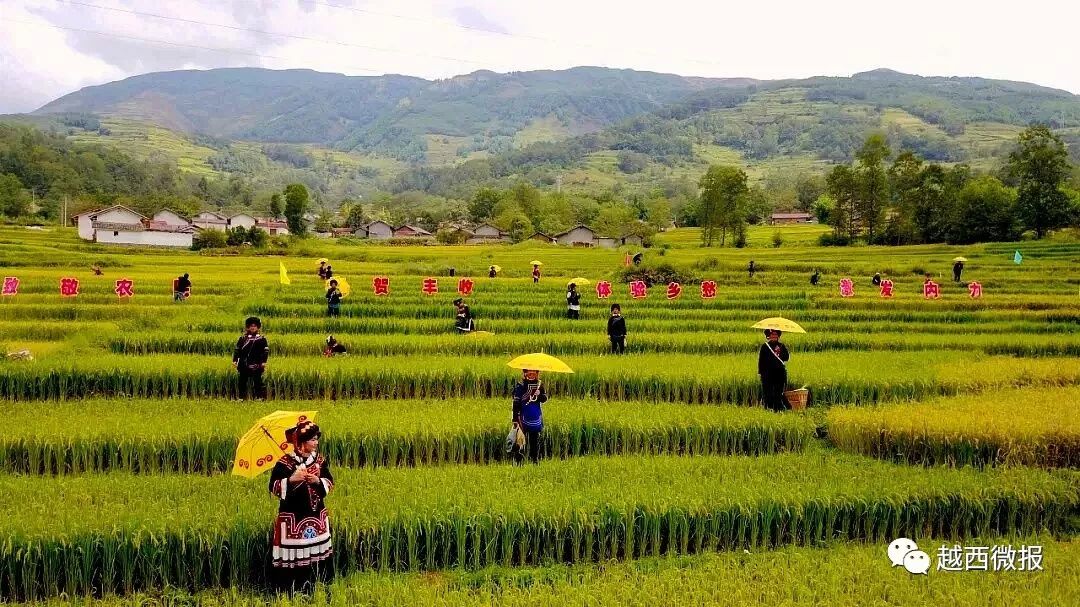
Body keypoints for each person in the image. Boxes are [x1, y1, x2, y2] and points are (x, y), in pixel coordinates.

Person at [268, 419, 334, 594]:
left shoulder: (319, 461)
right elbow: (273, 487)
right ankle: (292, 590)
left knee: (318, 556)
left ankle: (319, 586)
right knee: (296, 556)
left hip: (317, 517)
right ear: (301, 443)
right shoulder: (285, 463)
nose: (316, 442)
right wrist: (291, 480)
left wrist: (317, 481)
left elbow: (330, 482)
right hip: (294, 519)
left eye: (316, 439)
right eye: (312, 439)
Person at [511, 369, 547, 464]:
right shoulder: (521, 386)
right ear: (525, 373)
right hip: (522, 416)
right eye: (529, 373)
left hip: (535, 415)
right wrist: (515, 419)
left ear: (537, 374)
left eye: (533, 373)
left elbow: (544, 399)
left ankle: (534, 460)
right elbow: (516, 402)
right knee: (520, 439)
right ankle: (518, 461)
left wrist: (539, 395)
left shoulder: (539, 385)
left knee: (534, 440)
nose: (531, 375)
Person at [233, 317, 269, 400]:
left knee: (257, 381)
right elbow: (237, 350)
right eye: (251, 326)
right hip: (244, 363)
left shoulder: (262, 339)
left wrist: (264, 361)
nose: (253, 327)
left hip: (257, 362)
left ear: (258, 327)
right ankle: (241, 398)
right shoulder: (242, 338)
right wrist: (235, 360)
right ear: (248, 327)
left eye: (255, 326)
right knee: (242, 381)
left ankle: (259, 397)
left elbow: (265, 351)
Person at [757, 329, 790, 412]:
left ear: (778, 336)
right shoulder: (765, 346)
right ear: (768, 336)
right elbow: (761, 360)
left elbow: (786, 358)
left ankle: (778, 409)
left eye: (775, 335)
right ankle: (768, 408)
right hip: (767, 374)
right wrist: (761, 373)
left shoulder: (782, 346)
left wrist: (779, 352)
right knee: (768, 392)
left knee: (778, 392)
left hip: (779, 374)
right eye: (772, 335)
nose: (774, 336)